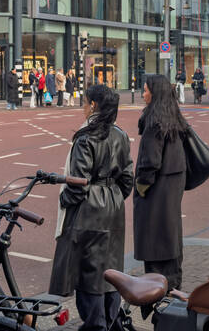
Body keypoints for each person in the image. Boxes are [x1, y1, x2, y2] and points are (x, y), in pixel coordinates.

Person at [49, 85, 134, 331]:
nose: (83, 107)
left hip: (90, 208)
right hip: (113, 205)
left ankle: (96, 323)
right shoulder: (120, 135)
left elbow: (77, 182)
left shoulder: (85, 137)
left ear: (94, 105)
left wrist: (65, 200)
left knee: (89, 271)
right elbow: (127, 178)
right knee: (111, 267)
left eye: (85, 103)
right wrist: (114, 197)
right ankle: (110, 319)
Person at [134, 74, 188, 290]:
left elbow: (150, 162)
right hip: (171, 190)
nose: (143, 93)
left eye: (146, 89)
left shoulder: (153, 122)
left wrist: (141, 187)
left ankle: (159, 297)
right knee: (171, 240)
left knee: (154, 245)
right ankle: (173, 290)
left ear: (155, 93)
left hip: (155, 194)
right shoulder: (174, 120)